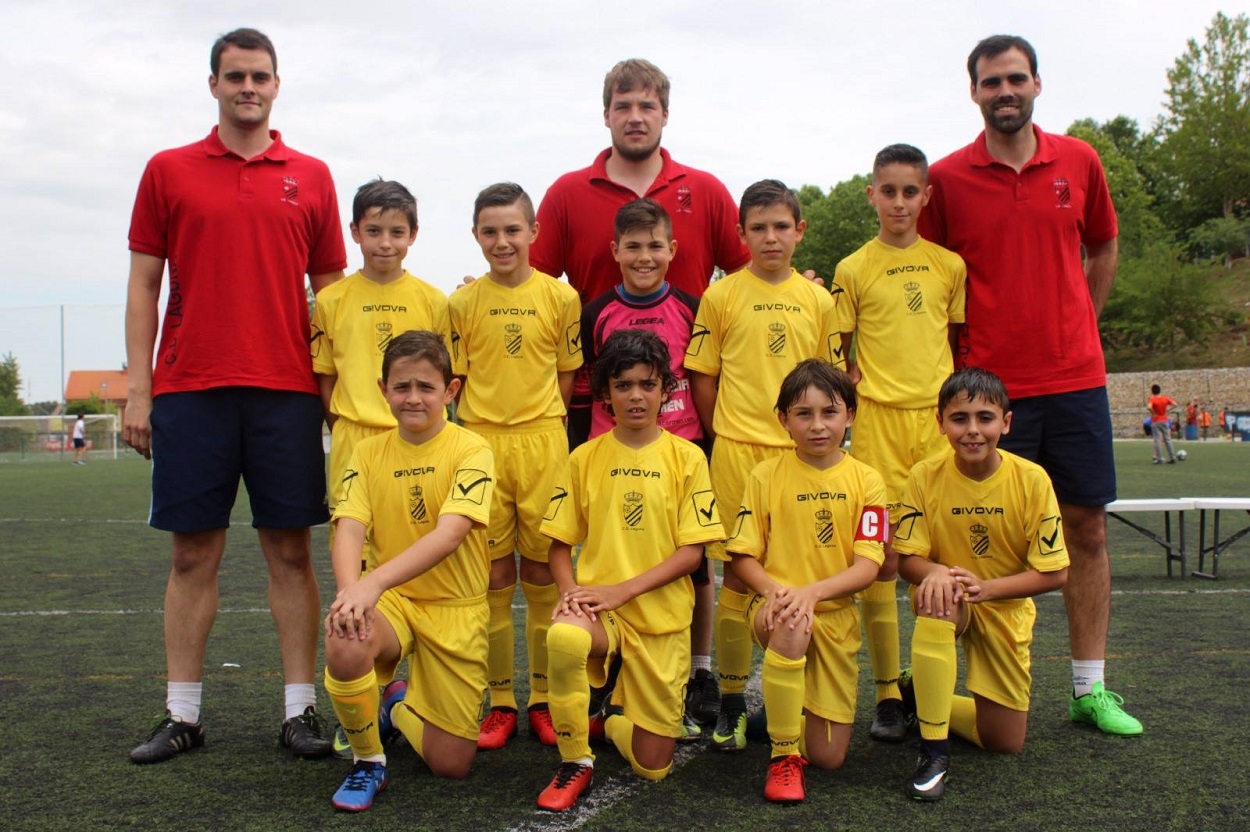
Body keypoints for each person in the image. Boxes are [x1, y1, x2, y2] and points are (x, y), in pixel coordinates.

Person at [124, 27, 346, 763]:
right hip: (191, 389)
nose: (248, 88)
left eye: (260, 77)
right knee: (192, 556)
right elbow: (144, 286)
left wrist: (338, 392)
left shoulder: (311, 175)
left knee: (291, 550)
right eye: (235, 77)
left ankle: (299, 710)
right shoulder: (168, 170)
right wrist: (138, 389)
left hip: (286, 392)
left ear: (277, 85)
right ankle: (182, 714)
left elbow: (334, 296)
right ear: (213, 85)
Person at [917, 34, 1141, 736]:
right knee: (959, 542)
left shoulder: (1079, 160)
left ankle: (1089, 689)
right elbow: (924, 272)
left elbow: (1103, 244)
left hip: (1073, 379)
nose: (1004, 91)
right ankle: (935, 694)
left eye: (1016, 79)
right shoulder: (947, 179)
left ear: (1038, 84)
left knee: (1086, 529)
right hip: (984, 394)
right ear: (974, 91)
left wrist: (1083, 321)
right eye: (991, 82)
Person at [684, 179, 842, 752]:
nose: (770, 237)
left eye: (781, 226)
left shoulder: (818, 300)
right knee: (733, 576)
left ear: (799, 231)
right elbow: (704, 374)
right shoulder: (722, 296)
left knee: (793, 572)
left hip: (799, 454)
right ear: (741, 234)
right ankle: (729, 700)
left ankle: (793, 683)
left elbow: (832, 381)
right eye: (759, 227)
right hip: (736, 451)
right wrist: (723, 431)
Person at [537, 329, 723, 812]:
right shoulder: (584, 458)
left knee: (653, 767)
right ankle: (575, 759)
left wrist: (623, 590)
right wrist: (570, 591)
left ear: (666, 390)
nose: (636, 395)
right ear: (605, 395)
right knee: (565, 636)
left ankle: (612, 715)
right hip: (603, 612)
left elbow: (693, 554)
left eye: (647, 384)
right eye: (623, 385)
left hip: (660, 618)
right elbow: (558, 548)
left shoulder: (687, 458)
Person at [529, 58, 749, 450]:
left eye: (646, 107)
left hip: (689, 406)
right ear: (606, 115)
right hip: (600, 406)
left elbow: (751, 276)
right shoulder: (567, 193)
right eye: (623, 106)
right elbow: (532, 287)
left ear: (665, 115)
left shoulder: (706, 190)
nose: (635, 117)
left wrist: (794, 287)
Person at [322, 331, 494, 812]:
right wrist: (351, 595)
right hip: (395, 603)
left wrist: (371, 582)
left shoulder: (472, 449)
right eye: (401, 387)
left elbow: (450, 533)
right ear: (383, 390)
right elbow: (350, 528)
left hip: (455, 609)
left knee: (451, 764)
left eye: (425, 386)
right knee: (345, 632)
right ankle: (367, 760)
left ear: (451, 390)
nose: (413, 397)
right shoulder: (368, 453)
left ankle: (395, 707)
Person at [833, 143, 966, 742]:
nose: (899, 202)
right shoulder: (852, 268)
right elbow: (839, 353)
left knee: (941, 549)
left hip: (937, 428)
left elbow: (959, 345)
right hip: (880, 428)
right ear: (872, 195)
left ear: (926, 196)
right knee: (882, 557)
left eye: (910, 191)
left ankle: (934, 681)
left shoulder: (950, 265)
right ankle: (888, 691)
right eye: (888, 191)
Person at [895, 367, 1069, 801]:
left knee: (1004, 742)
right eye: (959, 419)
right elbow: (907, 559)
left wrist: (987, 589)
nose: (973, 430)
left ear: (1005, 423)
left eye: (985, 418)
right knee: (939, 597)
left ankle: (919, 693)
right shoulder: (923, 475)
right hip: (950, 597)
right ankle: (933, 752)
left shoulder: (1031, 479)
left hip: (1003, 604)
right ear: (941, 423)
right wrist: (934, 571)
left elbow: (1056, 572)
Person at [449, 182, 582, 750]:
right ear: (476, 236)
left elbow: (567, 373)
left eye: (512, 230)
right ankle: (500, 701)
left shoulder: (560, 298)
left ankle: (543, 699)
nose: (501, 242)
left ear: (533, 232)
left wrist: (539, 421)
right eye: (489, 231)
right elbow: (456, 379)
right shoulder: (460, 304)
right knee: (495, 578)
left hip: (543, 445)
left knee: (544, 574)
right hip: (482, 447)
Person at [580, 198, 715, 738]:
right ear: (615, 250)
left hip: (680, 446)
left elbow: (704, 377)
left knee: (695, 565)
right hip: (609, 449)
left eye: (654, 245)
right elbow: (583, 390)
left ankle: (699, 670)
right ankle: (605, 661)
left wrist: (707, 443)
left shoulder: (692, 306)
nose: (644, 255)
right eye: (632, 246)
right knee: (609, 553)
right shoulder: (594, 313)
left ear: (672, 250)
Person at [727, 359, 887, 803]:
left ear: (850, 415)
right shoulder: (765, 474)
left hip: (835, 619)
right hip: (774, 609)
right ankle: (782, 758)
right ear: (783, 420)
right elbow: (742, 555)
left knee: (830, 757)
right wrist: (778, 593)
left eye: (830, 412)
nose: (818, 425)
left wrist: (810, 594)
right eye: (803, 413)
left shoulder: (868, 481)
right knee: (793, 622)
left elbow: (868, 567)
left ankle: (781, 711)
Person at [312, 178, 450, 553]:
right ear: (355, 232)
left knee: (415, 542)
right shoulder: (331, 300)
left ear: (413, 235)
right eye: (373, 231)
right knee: (352, 543)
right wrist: (340, 426)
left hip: (418, 438)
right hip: (354, 438)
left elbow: (447, 376)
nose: (385, 243)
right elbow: (326, 375)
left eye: (396, 232)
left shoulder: (434, 301)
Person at [1147, 384, 1178, 464]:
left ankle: (1160, 458)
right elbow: (1175, 404)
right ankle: (1172, 457)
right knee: (1167, 439)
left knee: (1157, 440)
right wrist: (1168, 410)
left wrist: (1154, 413)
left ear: (1152, 391)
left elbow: (1149, 407)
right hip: (1164, 420)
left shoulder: (1152, 399)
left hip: (1155, 421)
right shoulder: (1165, 398)